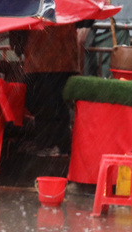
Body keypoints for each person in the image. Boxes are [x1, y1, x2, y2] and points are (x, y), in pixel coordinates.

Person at [10, 24, 84, 157]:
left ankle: (48, 145)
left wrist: (17, 45)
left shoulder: (34, 5)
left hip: (40, 60)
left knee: (44, 107)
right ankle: (61, 146)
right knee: (59, 105)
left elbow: (19, 29)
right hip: (65, 58)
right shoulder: (61, 7)